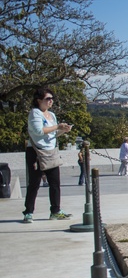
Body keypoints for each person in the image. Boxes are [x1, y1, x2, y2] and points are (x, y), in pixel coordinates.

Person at [23, 87, 73, 223]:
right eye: (47, 99)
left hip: (51, 152)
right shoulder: (35, 113)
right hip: (37, 152)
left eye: (52, 98)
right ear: (39, 100)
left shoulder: (52, 115)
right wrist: (57, 127)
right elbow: (39, 131)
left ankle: (55, 210)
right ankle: (28, 211)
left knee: (55, 183)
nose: (51, 101)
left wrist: (63, 130)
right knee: (34, 183)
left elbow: (53, 134)